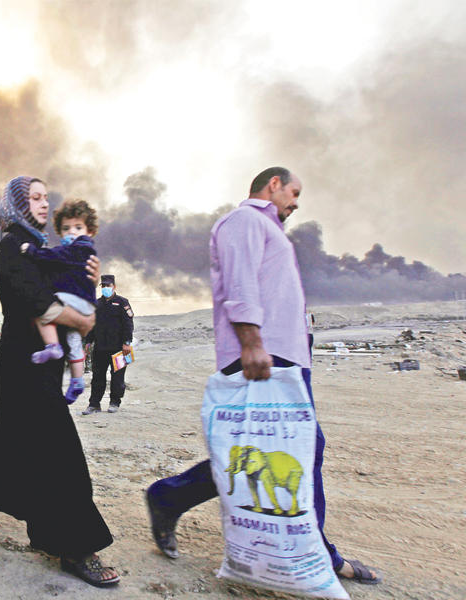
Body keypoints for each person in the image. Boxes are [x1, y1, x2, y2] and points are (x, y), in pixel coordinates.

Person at [145, 167, 380, 585]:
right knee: (304, 448)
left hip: (281, 358)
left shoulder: (268, 228)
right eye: (294, 192)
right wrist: (252, 341)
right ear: (273, 184)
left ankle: (168, 496)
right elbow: (240, 282)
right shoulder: (245, 221)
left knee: (256, 451)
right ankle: (317, 555)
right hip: (262, 357)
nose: (296, 202)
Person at [0, 176, 119, 588]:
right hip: (24, 364)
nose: (46, 205)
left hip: (40, 364)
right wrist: (81, 317)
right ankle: (78, 547)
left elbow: (68, 295)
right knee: (62, 456)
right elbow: (34, 300)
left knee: (18, 448)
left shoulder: (43, 250)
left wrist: (89, 285)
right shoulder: (11, 247)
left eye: (47, 197)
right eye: (36, 198)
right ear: (17, 205)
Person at [20, 198, 98, 403]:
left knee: (43, 309)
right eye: (66, 228)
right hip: (84, 303)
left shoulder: (78, 248)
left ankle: (53, 346)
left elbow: (54, 256)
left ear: (89, 231)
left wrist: (30, 251)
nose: (72, 231)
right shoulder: (85, 250)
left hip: (74, 299)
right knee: (74, 342)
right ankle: (77, 381)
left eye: (78, 227)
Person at [81, 275, 134, 414]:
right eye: (103, 286)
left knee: (117, 378)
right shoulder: (96, 304)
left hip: (119, 349)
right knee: (97, 377)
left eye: (108, 286)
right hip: (100, 348)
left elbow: (128, 325)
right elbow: (91, 325)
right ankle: (94, 404)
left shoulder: (122, 303)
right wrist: (87, 342)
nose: (105, 288)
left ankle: (115, 402)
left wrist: (127, 343)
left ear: (114, 287)